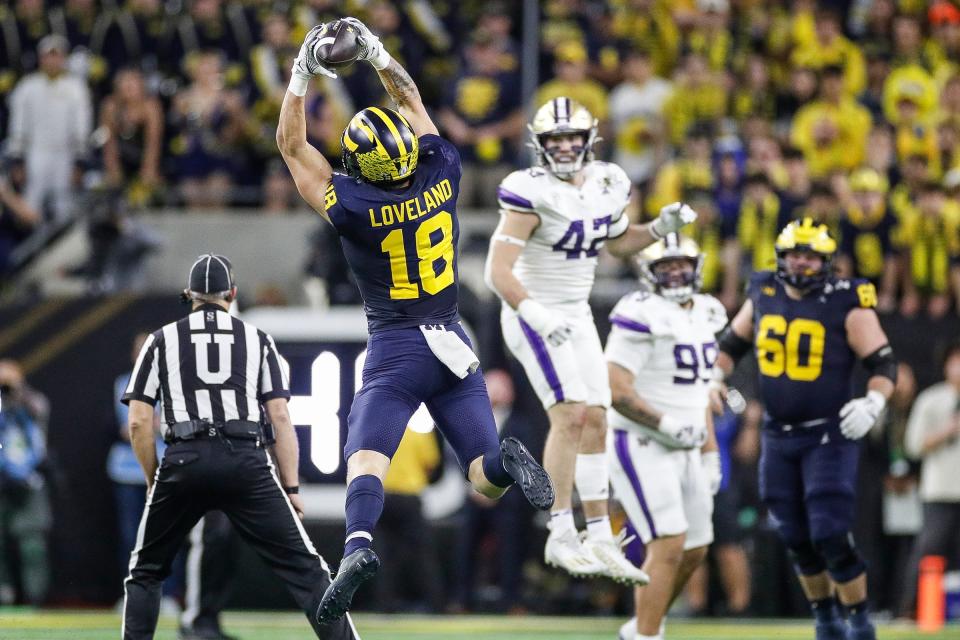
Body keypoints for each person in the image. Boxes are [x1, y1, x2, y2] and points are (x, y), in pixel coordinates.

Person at [275, 18, 555, 624]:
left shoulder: (353, 206)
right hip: (453, 339)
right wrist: (376, 52)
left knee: (365, 459)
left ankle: (357, 547)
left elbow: (293, 148)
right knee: (484, 479)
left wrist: (302, 72)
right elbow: (410, 98)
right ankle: (511, 458)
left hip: (398, 346)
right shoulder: (442, 169)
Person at [484, 95, 695, 583]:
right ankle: (559, 531)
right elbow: (497, 272)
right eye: (555, 139)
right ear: (541, 144)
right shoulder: (529, 190)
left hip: (576, 312)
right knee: (571, 413)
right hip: (532, 311)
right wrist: (535, 313)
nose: (563, 147)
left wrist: (660, 228)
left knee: (599, 418)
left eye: (571, 138)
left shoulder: (607, 182)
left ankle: (599, 533)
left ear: (587, 140)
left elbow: (618, 243)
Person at [121, 254, 359, 640]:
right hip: (246, 458)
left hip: (185, 455)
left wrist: (154, 479)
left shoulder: (160, 340)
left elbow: (138, 421)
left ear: (190, 295)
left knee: (146, 571)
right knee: (307, 570)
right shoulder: (257, 339)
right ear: (231, 294)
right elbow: (280, 417)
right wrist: (291, 487)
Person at [711, 218, 897, 640]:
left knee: (829, 531)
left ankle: (859, 619)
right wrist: (714, 377)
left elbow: (884, 363)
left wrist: (874, 400)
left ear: (828, 261)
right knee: (795, 535)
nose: (802, 263)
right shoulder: (763, 290)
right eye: (795, 254)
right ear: (780, 256)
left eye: (811, 256)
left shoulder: (846, 300)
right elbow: (730, 346)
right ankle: (826, 616)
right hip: (778, 435)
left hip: (828, 434)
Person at [603, 234, 726, 640]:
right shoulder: (640, 311)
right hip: (642, 442)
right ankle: (646, 635)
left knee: (694, 550)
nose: (675, 272)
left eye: (682, 263)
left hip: (688, 447)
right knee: (669, 543)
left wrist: (710, 451)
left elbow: (702, 392)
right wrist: (667, 425)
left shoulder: (708, 311)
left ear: (697, 265)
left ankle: (640, 627)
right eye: (665, 265)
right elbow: (616, 391)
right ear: (649, 272)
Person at [900, 341, 960, 617]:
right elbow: (912, 445)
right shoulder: (931, 399)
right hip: (940, 492)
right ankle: (910, 611)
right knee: (927, 551)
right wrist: (946, 431)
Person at [5, 34, 92, 221]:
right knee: (30, 202)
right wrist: (17, 159)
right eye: (48, 56)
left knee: (65, 205)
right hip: (35, 152)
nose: (52, 61)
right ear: (41, 58)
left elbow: (81, 127)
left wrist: (80, 161)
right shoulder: (27, 87)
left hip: (65, 154)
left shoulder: (76, 88)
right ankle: (31, 245)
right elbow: (18, 125)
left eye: (57, 56)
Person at [0, 360, 51, 605]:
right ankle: (4, 593)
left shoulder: (32, 401)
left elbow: (40, 412)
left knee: (32, 544)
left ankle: (35, 598)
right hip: (1, 481)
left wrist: (18, 391)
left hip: (29, 480)